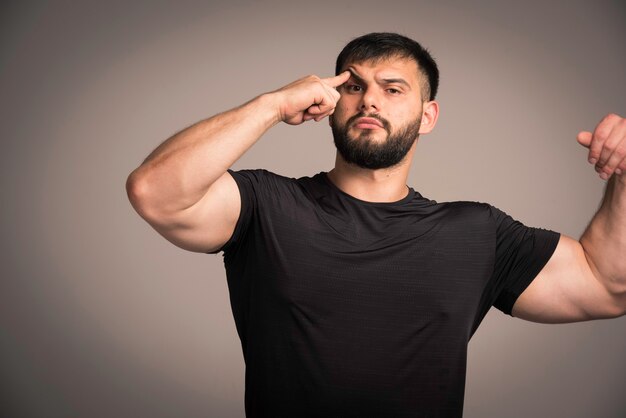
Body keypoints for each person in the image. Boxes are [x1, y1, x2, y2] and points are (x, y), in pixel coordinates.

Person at [126, 32, 626, 418]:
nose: (369, 100)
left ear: (427, 117)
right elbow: (156, 192)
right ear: (328, 105)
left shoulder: (477, 232)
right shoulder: (265, 204)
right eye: (354, 86)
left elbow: (607, 285)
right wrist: (272, 104)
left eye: (392, 89)